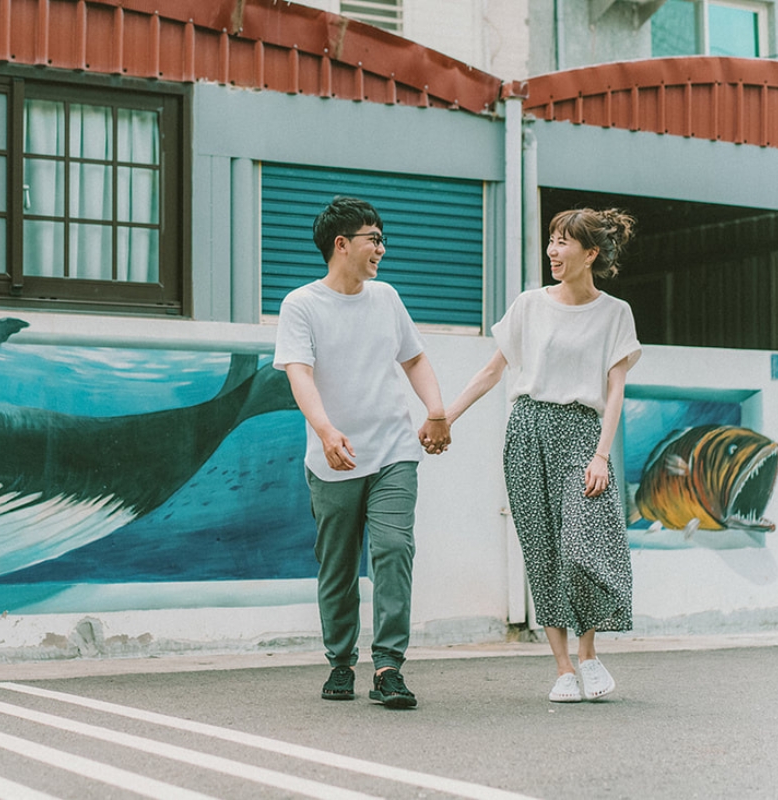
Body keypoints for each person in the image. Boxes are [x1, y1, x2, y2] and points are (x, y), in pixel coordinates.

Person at [444, 207, 641, 703]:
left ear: (590, 253)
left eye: (564, 242)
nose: (553, 251)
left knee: (581, 545)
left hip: (581, 432)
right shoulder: (529, 305)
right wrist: (446, 416)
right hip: (528, 429)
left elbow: (615, 390)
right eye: (551, 240)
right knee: (543, 551)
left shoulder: (615, 313)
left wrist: (601, 455)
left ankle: (590, 654)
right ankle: (562, 668)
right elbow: (492, 372)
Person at [274, 196, 451, 709]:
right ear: (341, 244)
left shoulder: (387, 297)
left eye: (381, 238)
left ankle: (390, 666)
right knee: (338, 564)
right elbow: (299, 374)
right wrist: (326, 431)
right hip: (334, 457)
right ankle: (341, 662)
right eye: (373, 238)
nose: (382, 248)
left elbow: (414, 358)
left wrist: (435, 410)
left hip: (394, 449)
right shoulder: (301, 305)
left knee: (394, 549)